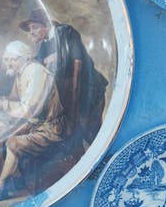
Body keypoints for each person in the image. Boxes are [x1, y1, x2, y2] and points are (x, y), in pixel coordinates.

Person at [0, 40, 65, 203]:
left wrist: (3, 105)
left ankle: (1, 187)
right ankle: (15, 180)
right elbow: (15, 99)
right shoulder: (21, 72)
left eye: (12, 60)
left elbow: (29, 109)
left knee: (12, 142)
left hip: (49, 128)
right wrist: (1, 99)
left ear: (25, 58)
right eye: (6, 60)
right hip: (35, 124)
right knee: (2, 134)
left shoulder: (36, 72)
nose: (8, 64)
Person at [18, 9, 109, 152]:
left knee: (90, 133)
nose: (31, 32)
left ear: (46, 25)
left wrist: (73, 103)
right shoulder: (46, 42)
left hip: (88, 92)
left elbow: (75, 64)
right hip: (69, 95)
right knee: (74, 136)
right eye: (30, 29)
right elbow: (40, 64)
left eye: (34, 27)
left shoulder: (65, 32)